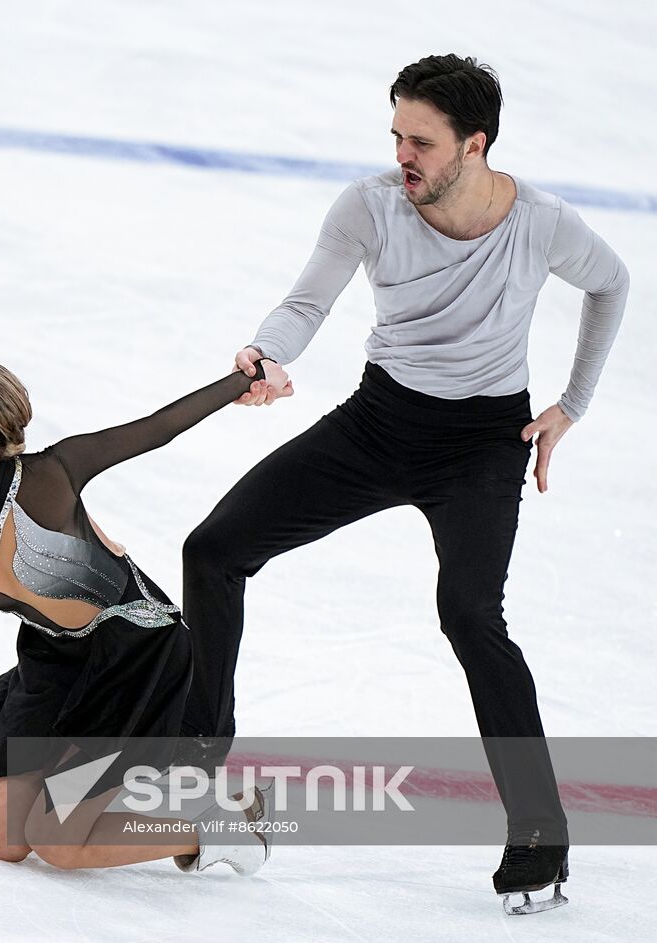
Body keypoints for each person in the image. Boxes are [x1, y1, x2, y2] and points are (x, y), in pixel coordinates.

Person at [180, 54, 628, 914]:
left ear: (476, 143)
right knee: (215, 548)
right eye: (396, 136)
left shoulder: (540, 222)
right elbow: (306, 304)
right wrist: (266, 352)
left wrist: (571, 406)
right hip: (379, 424)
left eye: (421, 141)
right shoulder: (371, 205)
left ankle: (539, 830)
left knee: (469, 612)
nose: (403, 156)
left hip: (481, 446)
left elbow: (611, 283)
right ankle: (199, 770)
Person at [0, 357, 290, 872]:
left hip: (133, 654)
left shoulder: (47, 476)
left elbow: (155, 429)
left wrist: (244, 381)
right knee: (7, 841)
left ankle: (234, 825)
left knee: (57, 843)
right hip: (53, 660)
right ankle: (104, 794)